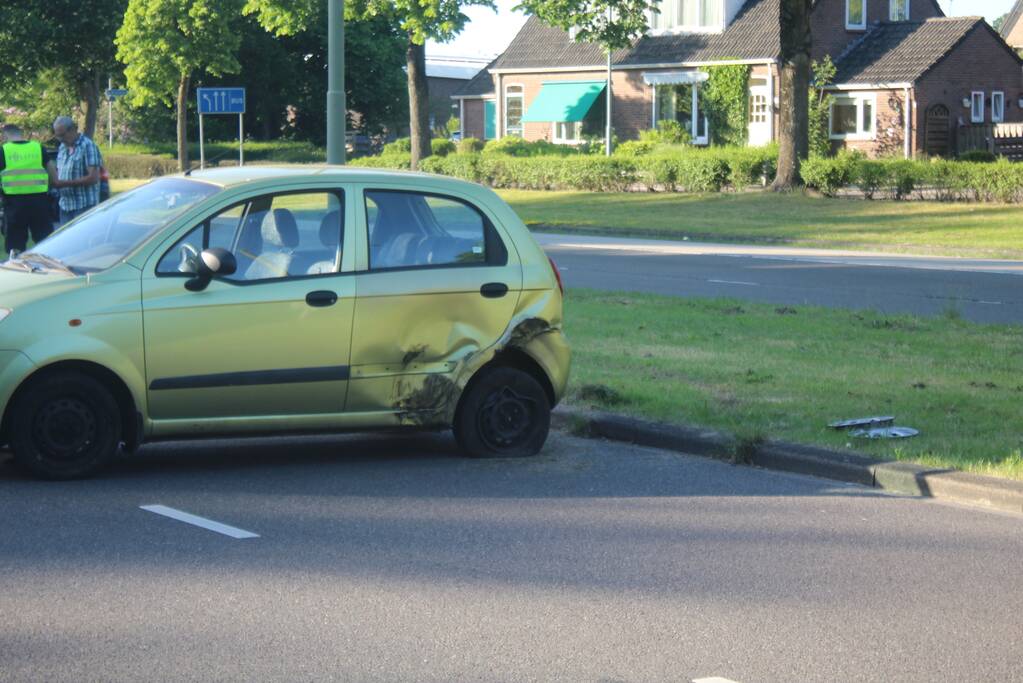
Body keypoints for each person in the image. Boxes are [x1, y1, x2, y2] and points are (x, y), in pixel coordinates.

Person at [0, 123, 53, 256]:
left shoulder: (3, 151)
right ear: (20, 133)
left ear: (5, 136)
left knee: (15, 245)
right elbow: (53, 175)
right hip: (40, 203)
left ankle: (17, 270)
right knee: (46, 241)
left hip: (14, 205)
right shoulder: (38, 148)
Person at [51, 116, 102, 225]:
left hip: (83, 206)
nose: (60, 139)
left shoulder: (87, 146)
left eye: (62, 135)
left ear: (73, 129)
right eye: (57, 136)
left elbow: (93, 178)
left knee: (83, 241)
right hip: (64, 205)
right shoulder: (62, 147)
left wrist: (63, 184)